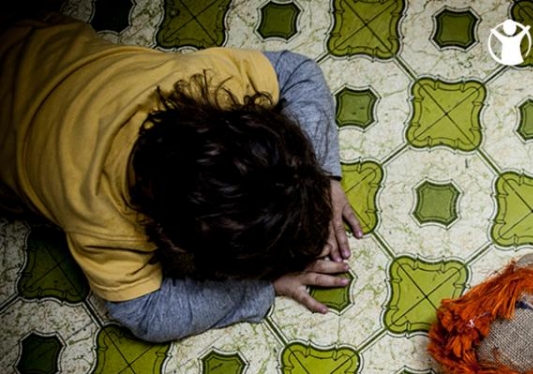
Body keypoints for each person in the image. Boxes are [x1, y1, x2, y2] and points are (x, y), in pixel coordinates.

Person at [0, 12, 363, 342]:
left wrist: (320, 177)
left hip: (32, 40)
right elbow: (148, 316)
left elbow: (299, 73)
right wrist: (263, 284)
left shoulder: (206, 80)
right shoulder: (102, 220)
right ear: (176, 245)